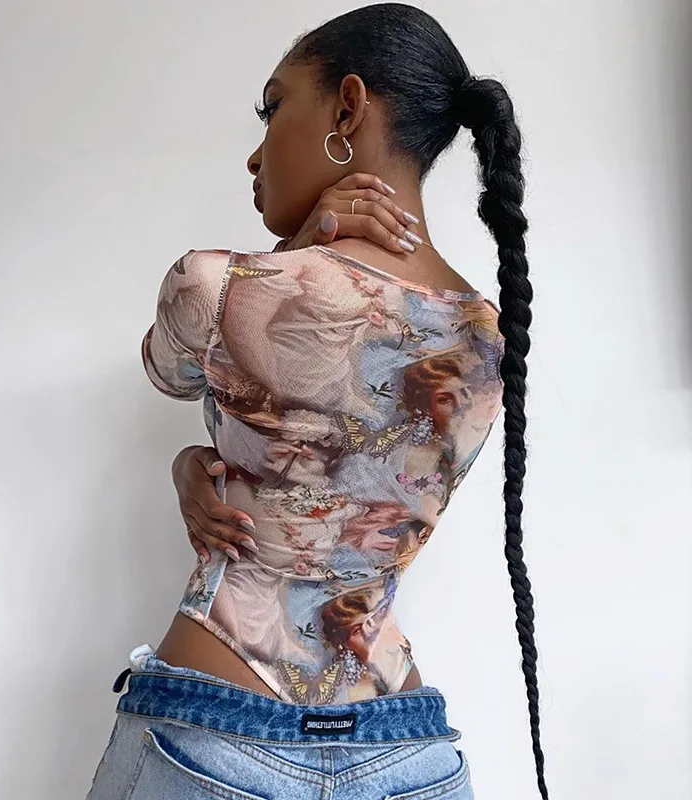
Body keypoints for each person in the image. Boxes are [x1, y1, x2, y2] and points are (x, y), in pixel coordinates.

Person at [85, 4, 547, 799]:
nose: (255, 153)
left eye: (273, 108)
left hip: (210, 739)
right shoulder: (489, 341)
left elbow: (168, 371)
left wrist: (288, 257)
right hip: (408, 755)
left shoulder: (214, 284)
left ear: (348, 108)